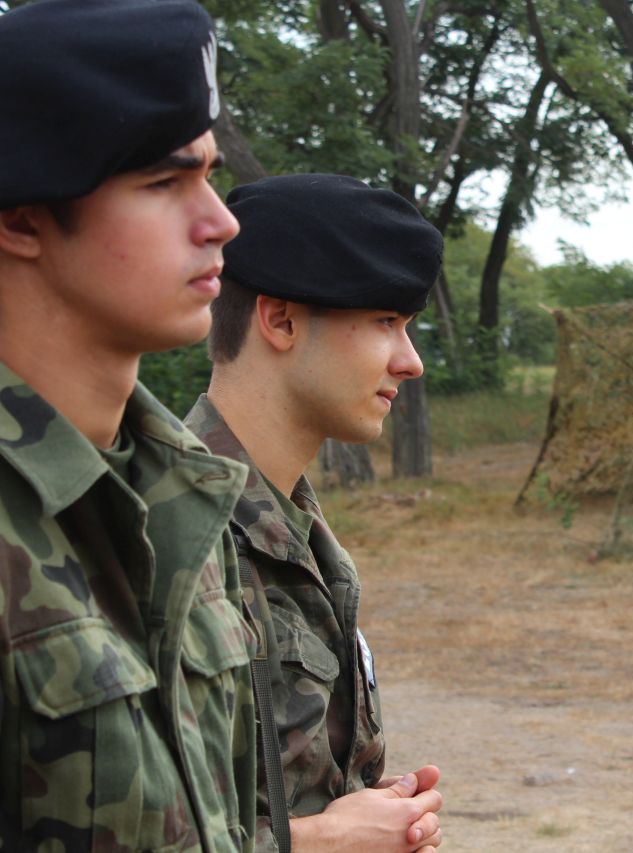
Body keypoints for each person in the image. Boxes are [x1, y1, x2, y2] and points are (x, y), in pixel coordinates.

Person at [0, 0, 259, 849]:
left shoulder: (181, 490)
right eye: (162, 183)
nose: (220, 220)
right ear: (21, 219)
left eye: (209, 175)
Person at [185, 174, 445, 852]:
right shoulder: (166, 531)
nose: (410, 361)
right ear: (281, 321)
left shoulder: (297, 528)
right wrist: (317, 842)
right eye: (385, 322)